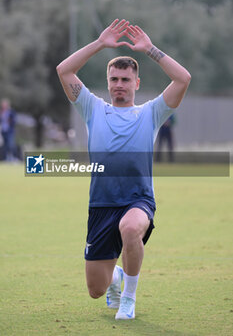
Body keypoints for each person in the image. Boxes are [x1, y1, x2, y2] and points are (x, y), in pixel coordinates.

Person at [56, 19, 191, 320]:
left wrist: (151, 49)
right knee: (95, 289)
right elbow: (64, 71)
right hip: (101, 204)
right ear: (108, 82)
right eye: (114, 79)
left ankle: (129, 299)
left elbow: (183, 79)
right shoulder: (92, 109)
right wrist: (100, 43)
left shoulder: (151, 113)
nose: (119, 85)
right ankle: (116, 279)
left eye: (125, 80)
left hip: (138, 200)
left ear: (136, 83)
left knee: (130, 228)